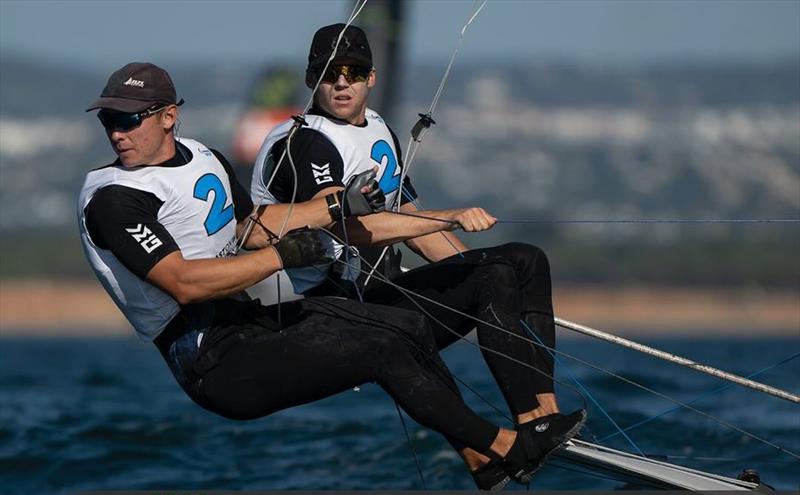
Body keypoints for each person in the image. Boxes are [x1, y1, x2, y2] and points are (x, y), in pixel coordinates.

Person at [78, 62, 581, 491]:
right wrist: (284, 257)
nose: (117, 132)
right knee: (381, 342)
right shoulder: (113, 200)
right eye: (108, 121)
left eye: (128, 119)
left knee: (399, 326)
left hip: (252, 320)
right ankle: (507, 447)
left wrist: (332, 208)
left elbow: (255, 227)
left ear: (169, 117)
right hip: (211, 362)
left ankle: (485, 462)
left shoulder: (203, 156)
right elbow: (184, 283)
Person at [249, 24, 584, 489]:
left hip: (370, 294)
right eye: (330, 74)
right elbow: (352, 229)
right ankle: (505, 439)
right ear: (312, 81)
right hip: (321, 311)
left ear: (372, 77)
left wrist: (481, 276)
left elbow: (411, 223)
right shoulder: (306, 141)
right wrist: (451, 220)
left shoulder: (380, 129)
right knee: (493, 274)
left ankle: (540, 416)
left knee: (522, 261)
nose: (342, 82)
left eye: (354, 71)